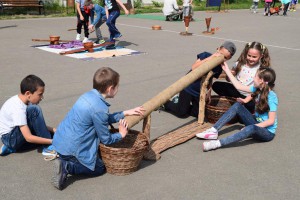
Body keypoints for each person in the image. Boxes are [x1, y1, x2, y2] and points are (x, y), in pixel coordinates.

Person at [51, 67, 145, 190]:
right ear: (110, 88)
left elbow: (102, 118)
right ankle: (67, 166)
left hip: (60, 143)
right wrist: (121, 134)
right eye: (117, 86)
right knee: (100, 168)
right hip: (71, 150)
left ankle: (64, 160)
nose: (118, 89)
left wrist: (126, 112)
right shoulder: (100, 108)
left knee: (94, 156)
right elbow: (106, 139)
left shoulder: (87, 95)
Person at [197, 66, 278, 152]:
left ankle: (217, 144)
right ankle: (213, 131)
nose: (253, 78)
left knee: (251, 128)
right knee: (238, 105)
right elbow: (239, 87)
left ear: (261, 81)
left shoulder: (272, 97)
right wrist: (227, 70)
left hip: (267, 132)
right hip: (257, 122)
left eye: (255, 76)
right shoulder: (258, 88)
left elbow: (271, 121)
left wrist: (252, 126)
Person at [163, 41, 236, 118]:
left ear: (228, 59)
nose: (221, 58)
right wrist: (211, 58)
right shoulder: (205, 55)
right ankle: (166, 103)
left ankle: (181, 104)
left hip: (199, 91)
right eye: (221, 54)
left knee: (197, 113)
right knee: (182, 113)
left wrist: (209, 90)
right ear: (218, 49)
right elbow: (194, 67)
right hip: (188, 87)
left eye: (225, 57)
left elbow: (211, 78)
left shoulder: (219, 68)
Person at [0, 75, 56, 156]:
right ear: (28, 93)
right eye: (40, 94)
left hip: (15, 135)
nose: (42, 97)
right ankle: (48, 148)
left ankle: (10, 148)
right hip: (10, 138)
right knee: (34, 109)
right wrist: (51, 141)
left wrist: (54, 130)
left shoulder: (25, 100)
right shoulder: (18, 108)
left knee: (52, 135)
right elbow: (28, 137)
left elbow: (38, 125)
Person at [212, 42, 271, 113]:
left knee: (250, 106)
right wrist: (229, 75)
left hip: (249, 95)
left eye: (254, 57)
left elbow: (258, 91)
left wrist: (247, 99)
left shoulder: (260, 70)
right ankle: (234, 101)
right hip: (235, 91)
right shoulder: (239, 64)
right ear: (246, 53)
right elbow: (228, 79)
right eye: (249, 55)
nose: (251, 59)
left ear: (261, 56)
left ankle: (238, 105)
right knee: (216, 85)